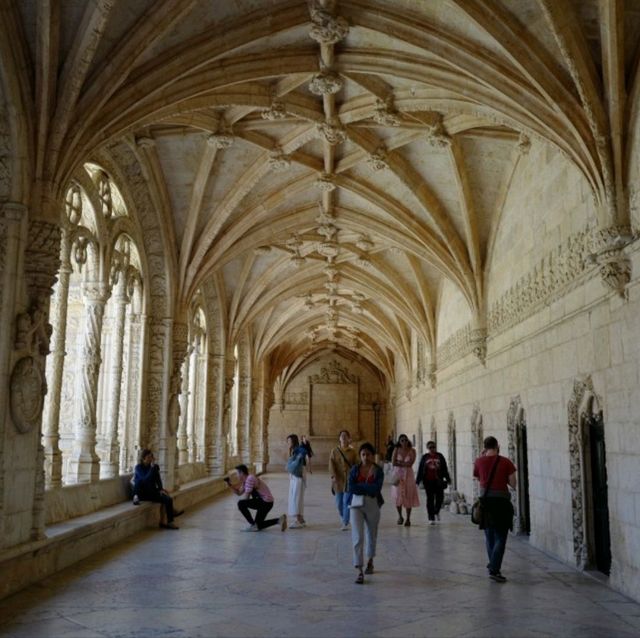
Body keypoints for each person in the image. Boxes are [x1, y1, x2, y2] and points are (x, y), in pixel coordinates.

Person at [473, 436, 517, 583]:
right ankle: (494, 568)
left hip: (486, 502)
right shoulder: (506, 462)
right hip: (502, 503)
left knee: (489, 534)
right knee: (501, 536)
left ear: (484, 447)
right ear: (498, 446)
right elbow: (513, 483)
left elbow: (479, 479)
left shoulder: (479, 461)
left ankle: (493, 562)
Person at [347, 442, 384, 584]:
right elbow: (351, 487)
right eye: (363, 454)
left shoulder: (377, 471)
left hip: (372, 504)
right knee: (357, 536)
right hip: (356, 504)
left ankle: (370, 560)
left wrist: (360, 487)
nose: (366, 457)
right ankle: (359, 569)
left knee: (372, 533)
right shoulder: (355, 469)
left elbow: (376, 489)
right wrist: (366, 487)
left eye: (368, 454)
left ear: (372, 456)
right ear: (360, 456)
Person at [226, 464, 287, 532]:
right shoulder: (246, 481)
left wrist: (242, 507)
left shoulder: (250, 479)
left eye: (237, 473)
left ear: (242, 473)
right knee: (259, 525)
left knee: (241, 503)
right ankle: (279, 520)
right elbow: (239, 493)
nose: (236, 476)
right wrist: (230, 485)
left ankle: (253, 525)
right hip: (267, 503)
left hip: (265, 502)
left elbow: (246, 498)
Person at [132, 449, 182, 529]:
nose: (151, 459)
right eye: (148, 457)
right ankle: (173, 512)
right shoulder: (138, 467)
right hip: (143, 494)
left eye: (151, 457)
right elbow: (145, 479)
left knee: (168, 499)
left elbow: (158, 479)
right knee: (166, 499)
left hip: (152, 492)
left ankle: (169, 522)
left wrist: (161, 489)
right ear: (143, 458)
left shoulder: (154, 467)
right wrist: (152, 468)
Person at [416, 440, 451, 525]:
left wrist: (448, 478)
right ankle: (431, 517)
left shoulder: (440, 456)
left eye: (433, 447)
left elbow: (444, 468)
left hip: (438, 480)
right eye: (430, 447)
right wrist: (417, 481)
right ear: (428, 448)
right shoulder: (425, 457)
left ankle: (436, 511)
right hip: (428, 481)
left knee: (440, 498)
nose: (432, 449)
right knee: (430, 499)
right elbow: (421, 468)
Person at [329, 429, 358, 530]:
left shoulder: (353, 452)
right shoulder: (334, 451)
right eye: (342, 436)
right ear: (339, 438)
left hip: (349, 480)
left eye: (346, 435)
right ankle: (344, 517)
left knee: (347, 501)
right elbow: (331, 464)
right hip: (338, 480)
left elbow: (356, 464)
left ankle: (345, 522)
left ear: (349, 438)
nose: (344, 437)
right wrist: (333, 476)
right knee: (339, 503)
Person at [391, 434, 420, 526]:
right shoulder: (396, 450)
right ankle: (400, 516)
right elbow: (393, 462)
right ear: (399, 442)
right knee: (397, 495)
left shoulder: (412, 451)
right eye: (402, 440)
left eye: (405, 440)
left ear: (408, 441)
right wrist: (404, 463)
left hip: (408, 476)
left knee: (408, 494)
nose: (404, 442)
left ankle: (408, 518)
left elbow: (411, 463)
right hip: (398, 476)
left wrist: (399, 462)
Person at [286, 434, 308, 529]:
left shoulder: (299, 450)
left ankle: (298, 520)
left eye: (289, 441)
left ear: (293, 441)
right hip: (294, 477)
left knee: (296, 498)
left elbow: (301, 459)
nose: (288, 443)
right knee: (296, 498)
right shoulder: (294, 451)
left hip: (297, 477)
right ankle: (301, 520)